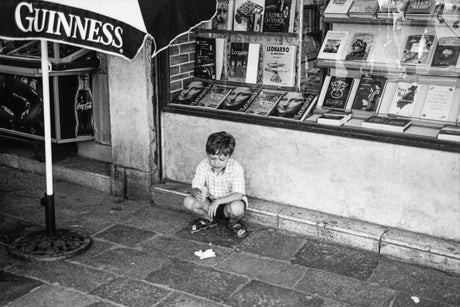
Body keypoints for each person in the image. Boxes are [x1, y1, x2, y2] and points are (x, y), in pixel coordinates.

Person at [183, 131, 248, 238]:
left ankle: (233, 223)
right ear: (207, 154)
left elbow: (239, 194)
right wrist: (196, 192)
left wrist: (218, 201)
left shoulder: (235, 167)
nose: (216, 163)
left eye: (222, 159)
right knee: (188, 201)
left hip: (229, 204)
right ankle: (208, 219)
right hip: (210, 204)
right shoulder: (203, 165)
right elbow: (195, 186)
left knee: (237, 208)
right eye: (212, 158)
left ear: (229, 156)